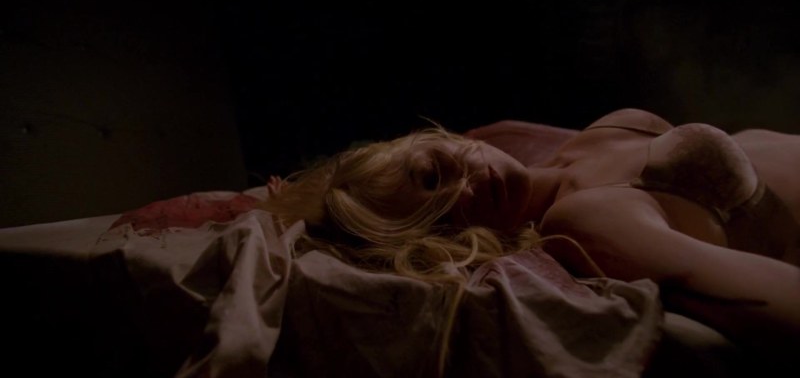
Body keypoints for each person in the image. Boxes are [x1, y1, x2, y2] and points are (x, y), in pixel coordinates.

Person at [260, 107, 800, 368]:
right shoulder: (586, 220)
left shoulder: (583, 138)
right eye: (446, 220)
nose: (467, 191)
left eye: (435, 172)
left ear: (440, 136)